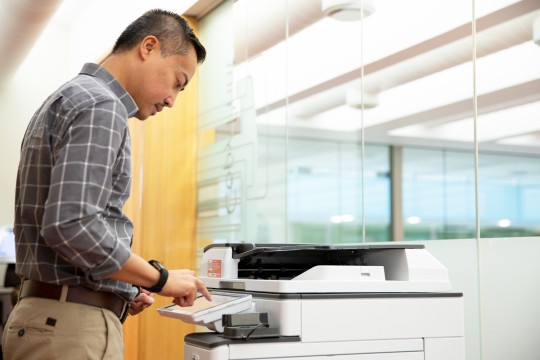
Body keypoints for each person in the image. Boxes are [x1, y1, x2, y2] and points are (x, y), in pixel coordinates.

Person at [1, 9, 211, 360]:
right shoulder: (101, 104)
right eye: (177, 81)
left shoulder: (66, 97)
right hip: (69, 328)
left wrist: (123, 286)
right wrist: (160, 279)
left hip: (47, 318)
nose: (173, 99)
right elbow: (73, 225)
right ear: (148, 46)